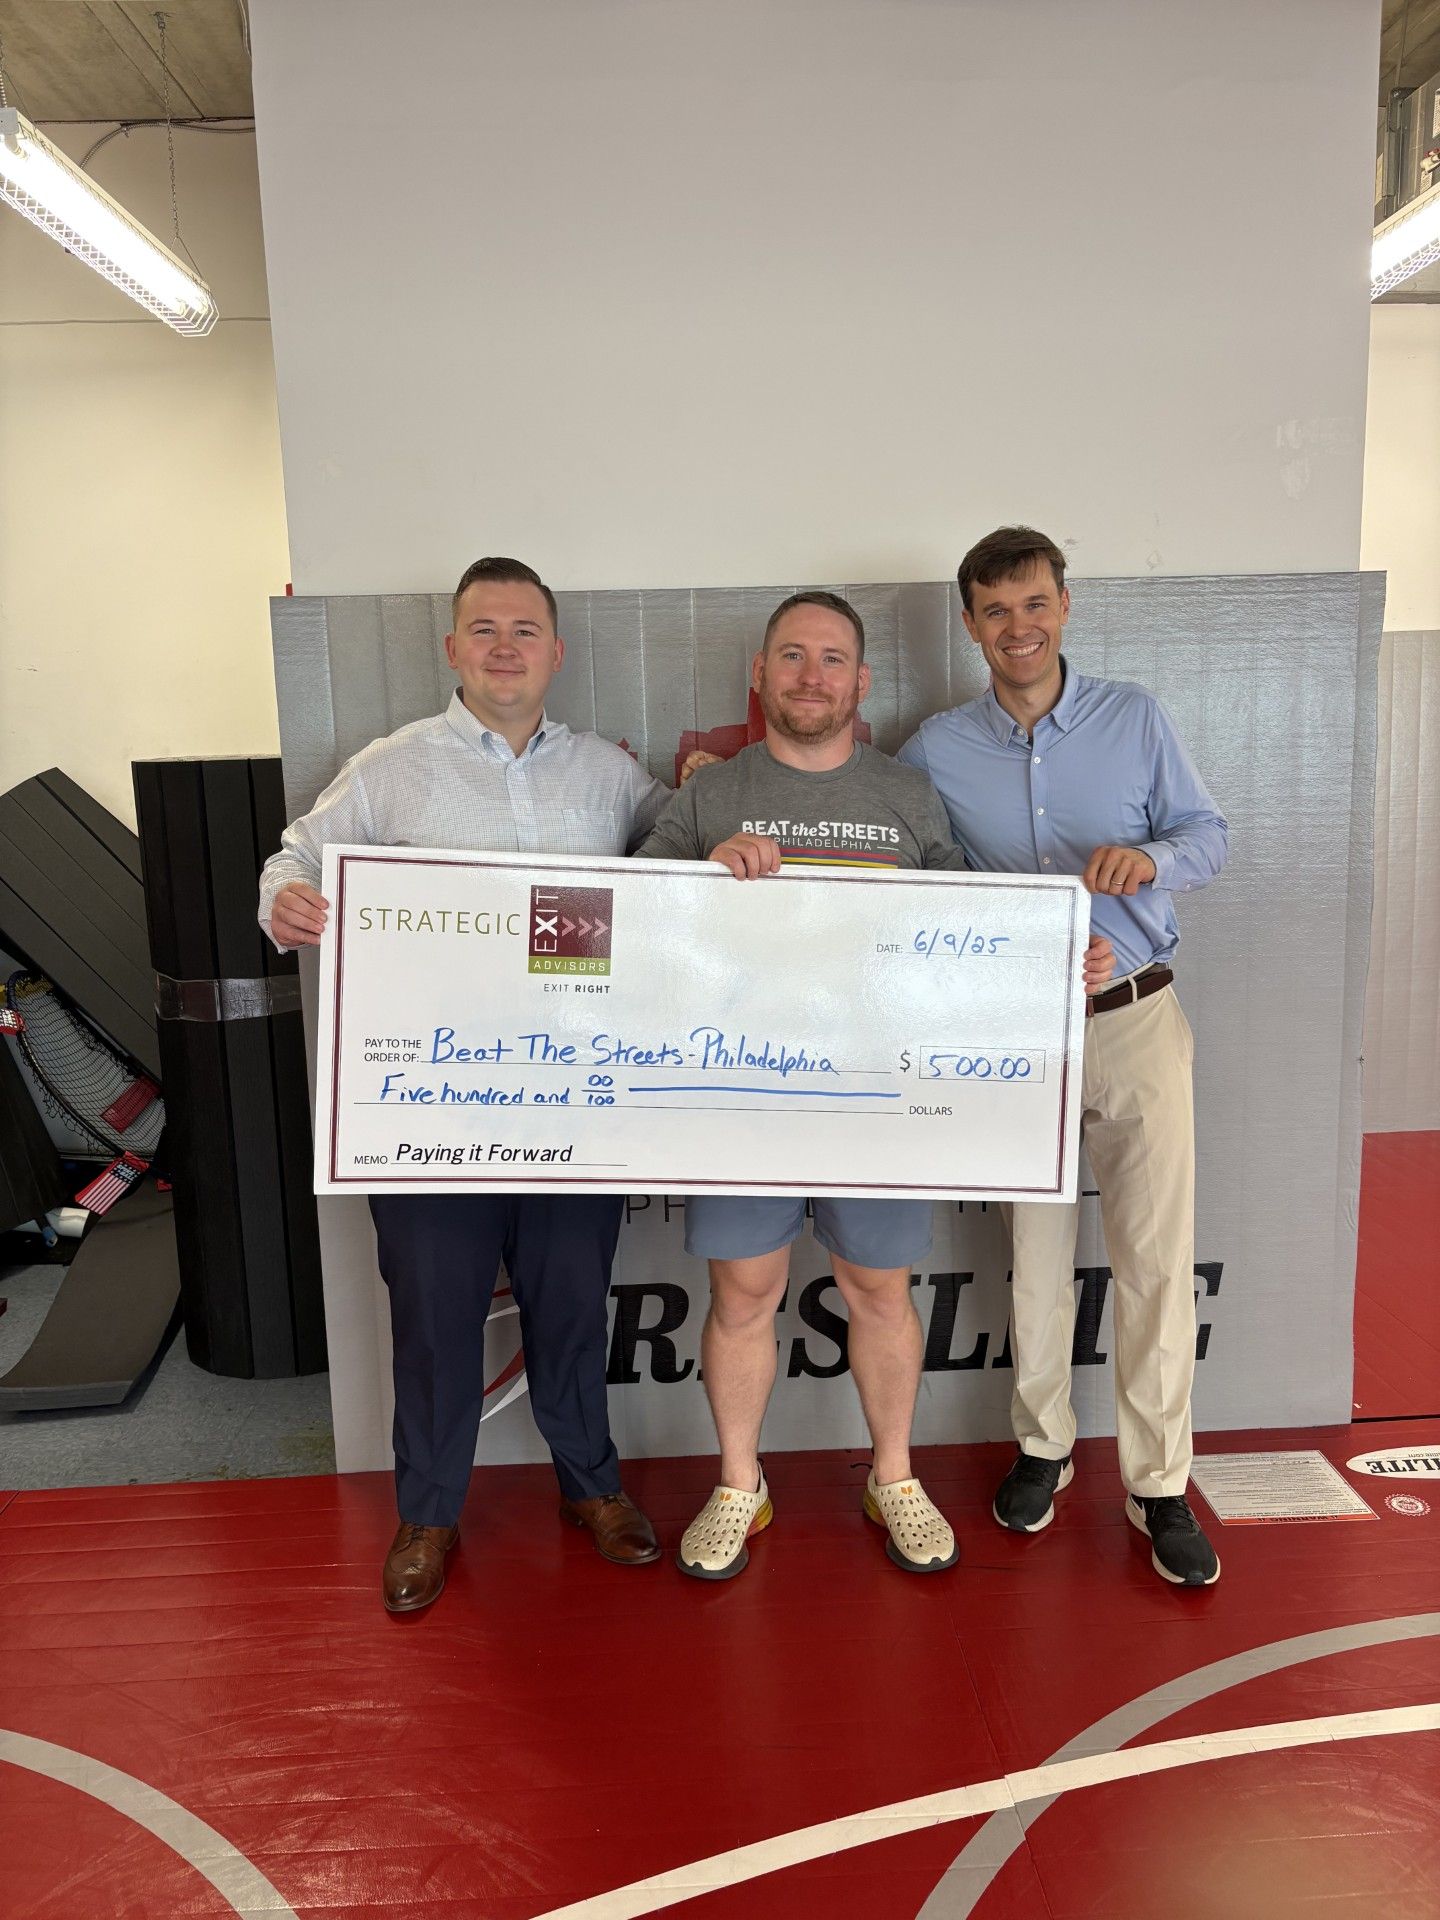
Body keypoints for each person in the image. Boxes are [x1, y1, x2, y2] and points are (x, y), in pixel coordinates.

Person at [637, 590, 1115, 1581]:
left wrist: (1053, 961)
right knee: (743, 1294)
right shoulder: (706, 798)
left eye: (833, 660)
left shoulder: (907, 797)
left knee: (880, 1292)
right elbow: (635, 929)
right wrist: (698, 878)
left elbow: (969, 935)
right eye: (794, 657)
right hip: (744, 1096)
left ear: (862, 683)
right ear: (760, 677)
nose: (813, 676)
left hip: (880, 1100)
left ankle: (892, 1474)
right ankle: (740, 1484)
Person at [258, 556, 669, 1613]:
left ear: (555, 652)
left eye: (524, 630)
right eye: (483, 629)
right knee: (436, 1319)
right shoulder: (393, 770)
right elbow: (294, 856)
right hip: (428, 1118)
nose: (503, 647)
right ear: (452, 648)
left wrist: (737, 837)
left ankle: (593, 1487)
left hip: (574, 1108)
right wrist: (290, 900)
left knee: (572, 1306)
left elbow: (684, 870)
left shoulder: (611, 778)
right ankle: (430, 1514)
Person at [899, 526, 1229, 1587]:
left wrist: (1154, 859)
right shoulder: (934, 749)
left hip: (1136, 1016)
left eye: (1034, 604)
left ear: (1065, 607)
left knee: (1153, 1263)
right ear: (970, 626)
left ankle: (1159, 1485)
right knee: (1034, 1266)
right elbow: (907, 883)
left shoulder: (1134, 719)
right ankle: (1043, 1448)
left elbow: (1210, 835)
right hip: (1016, 1040)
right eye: (996, 611)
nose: (1018, 628)